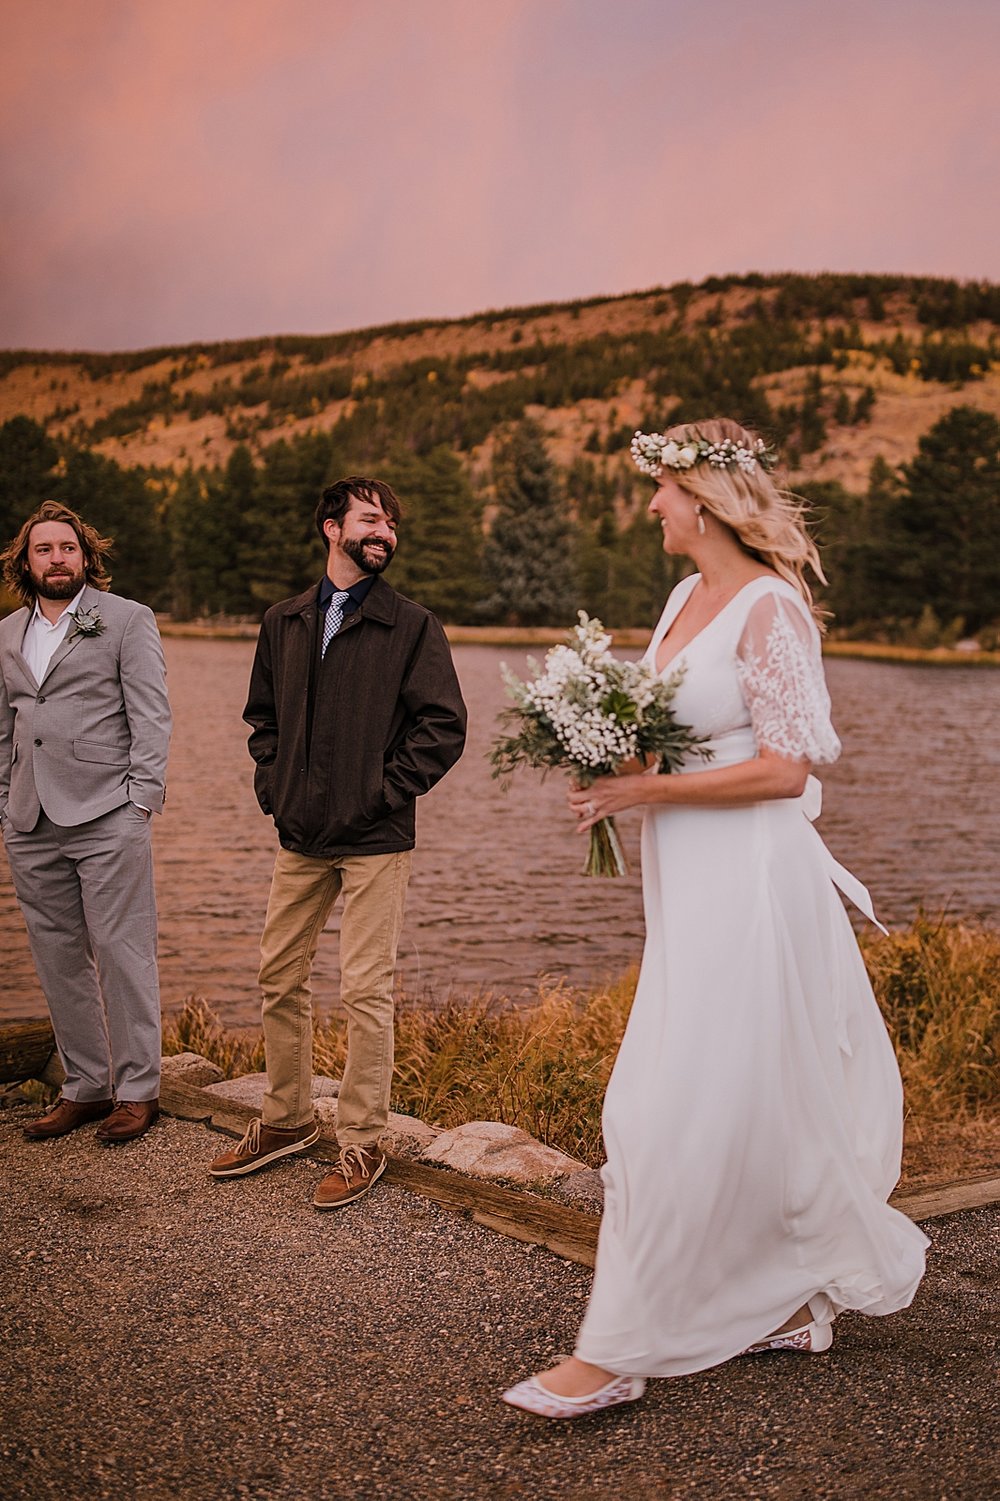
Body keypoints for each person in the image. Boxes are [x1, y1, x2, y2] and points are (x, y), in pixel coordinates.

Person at [503, 419, 928, 1418]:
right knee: (749, 1094)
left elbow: (785, 770)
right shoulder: (682, 596)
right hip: (686, 884)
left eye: (660, 490)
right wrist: (616, 774)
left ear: (703, 497)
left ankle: (614, 1350)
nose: (650, 506)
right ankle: (789, 1297)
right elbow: (671, 738)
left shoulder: (772, 609)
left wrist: (643, 793)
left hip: (749, 881)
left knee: (657, 1108)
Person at [209, 476, 467, 1208]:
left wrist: (381, 793)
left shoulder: (412, 625)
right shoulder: (283, 620)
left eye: (391, 522)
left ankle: (362, 1141)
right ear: (331, 527)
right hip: (299, 834)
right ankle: (287, 1119)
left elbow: (443, 727)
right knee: (278, 975)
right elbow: (262, 720)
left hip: (376, 837)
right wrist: (275, 787)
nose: (384, 531)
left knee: (364, 988)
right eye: (370, 519)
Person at [0, 500, 171, 1144]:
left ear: (85, 556)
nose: (56, 558)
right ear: (26, 561)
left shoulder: (126, 620)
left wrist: (139, 802)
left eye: (67, 548)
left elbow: (151, 716)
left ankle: (137, 1091)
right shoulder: (6, 633)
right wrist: (4, 804)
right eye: (43, 550)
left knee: (123, 950)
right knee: (56, 955)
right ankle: (85, 1086)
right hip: (28, 818)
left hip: (107, 814)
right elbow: (5, 727)